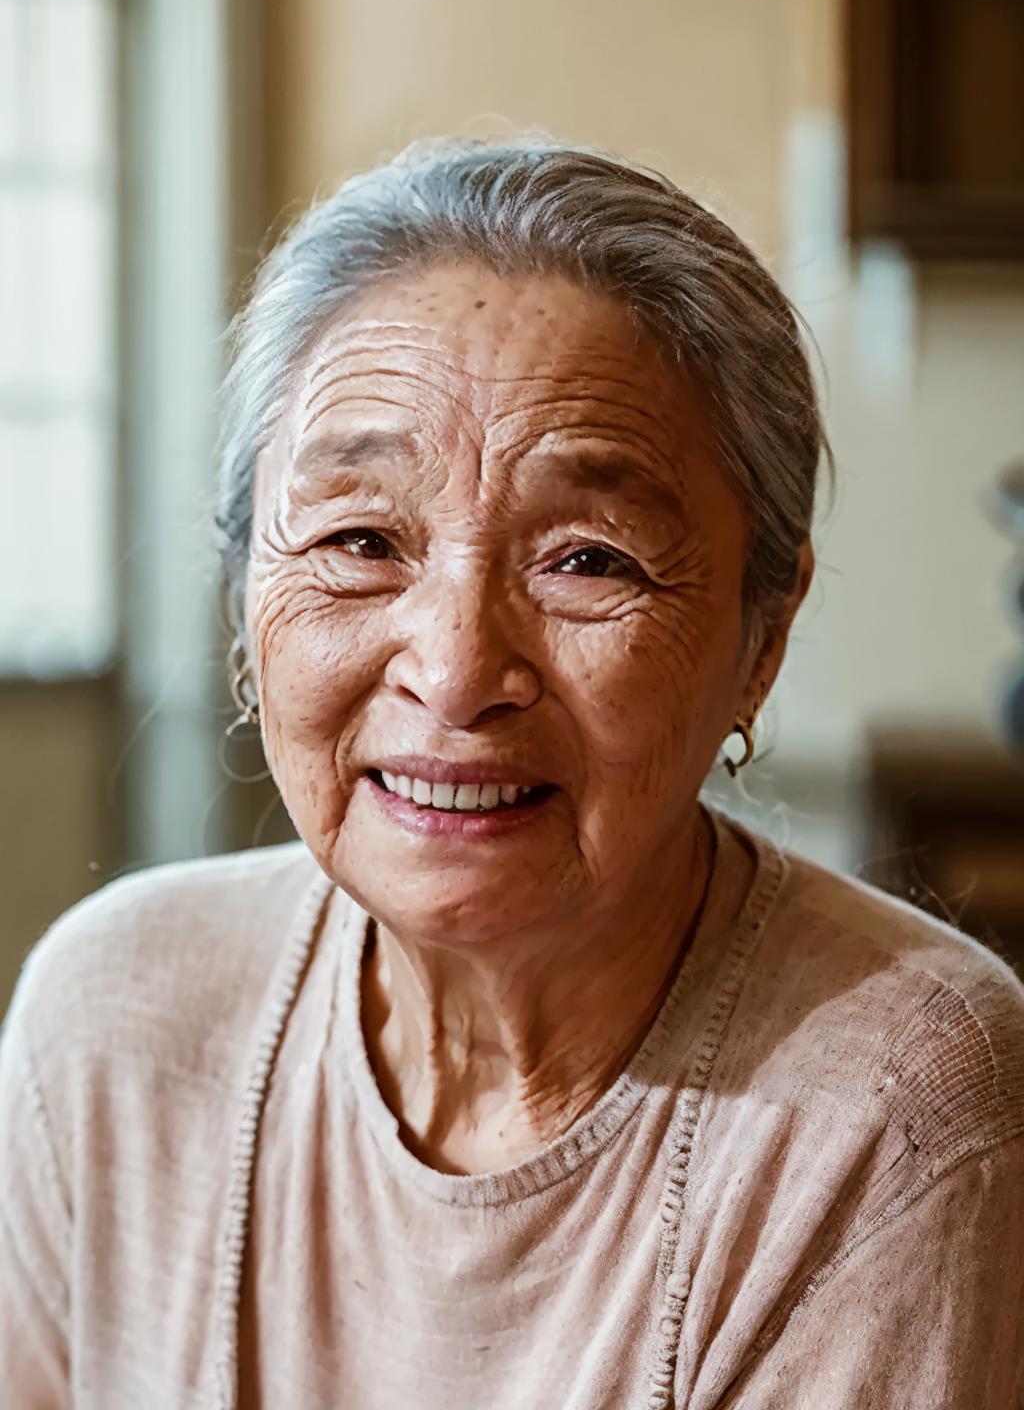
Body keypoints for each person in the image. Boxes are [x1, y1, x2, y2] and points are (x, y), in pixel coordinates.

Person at [2, 137, 1022, 1410]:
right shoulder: (115, 1023)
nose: (455, 668)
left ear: (761, 633)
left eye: (587, 560)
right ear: (242, 592)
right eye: (360, 539)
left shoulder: (889, 1110)